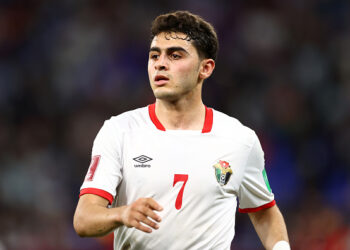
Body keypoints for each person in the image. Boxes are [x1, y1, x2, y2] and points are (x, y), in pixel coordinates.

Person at [73, 10, 290, 250]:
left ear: (205, 68)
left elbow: (264, 212)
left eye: (175, 55)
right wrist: (122, 214)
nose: (161, 64)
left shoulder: (239, 140)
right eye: (155, 56)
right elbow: (84, 219)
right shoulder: (120, 131)